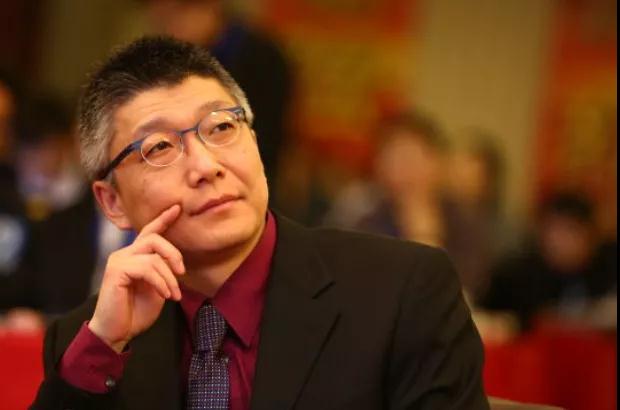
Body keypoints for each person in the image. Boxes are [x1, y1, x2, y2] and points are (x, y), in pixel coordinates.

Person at [31, 36, 488, 410]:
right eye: (160, 148)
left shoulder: (402, 293)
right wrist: (103, 345)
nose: (206, 166)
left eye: (221, 128)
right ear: (112, 201)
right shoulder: (91, 341)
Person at [479, 191, 617, 331]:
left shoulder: (608, 268)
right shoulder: (513, 277)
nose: (560, 241)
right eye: (554, 230)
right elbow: (486, 320)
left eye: (571, 230)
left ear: (592, 235)